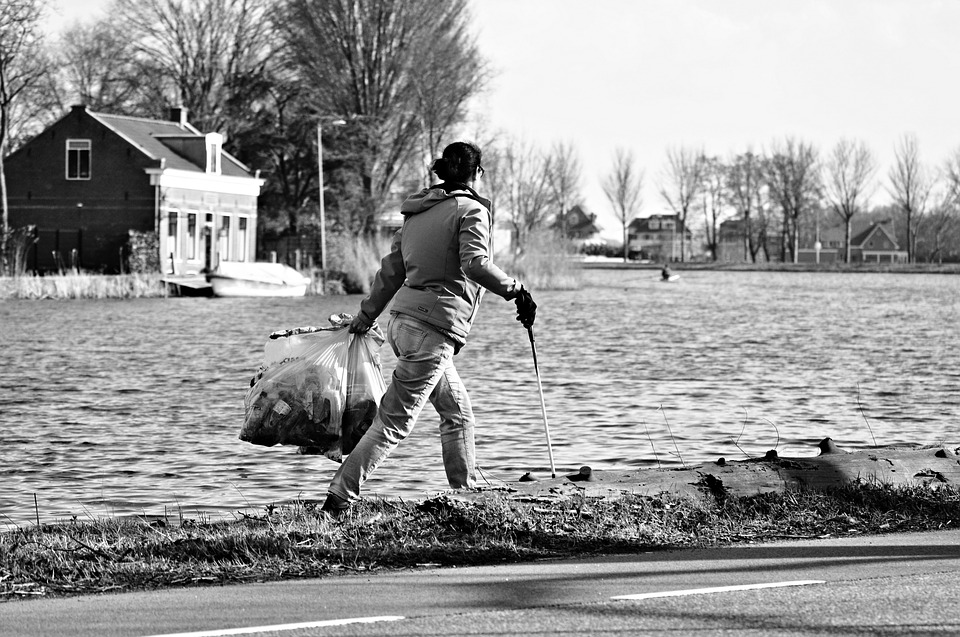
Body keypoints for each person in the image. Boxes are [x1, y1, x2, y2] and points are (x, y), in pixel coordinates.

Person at [320, 141, 536, 518]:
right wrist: (515, 290)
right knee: (394, 422)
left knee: (458, 412)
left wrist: (366, 316)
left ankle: (465, 493)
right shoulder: (470, 210)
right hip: (432, 329)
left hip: (403, 325)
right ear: (477, 174)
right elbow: (474, 263)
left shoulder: (417, 213)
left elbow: (391, 272)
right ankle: (339, 498)